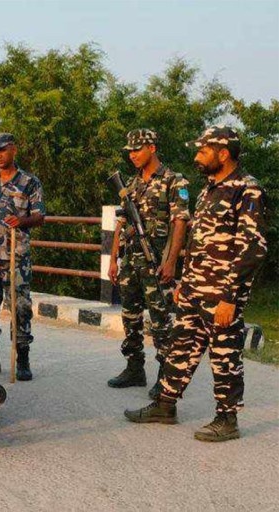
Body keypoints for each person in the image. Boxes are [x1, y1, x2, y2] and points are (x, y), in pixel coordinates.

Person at [125, 126, 268, 442]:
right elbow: (197, 241)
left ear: (223, 153)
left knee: (224, 355)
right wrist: (185, 281)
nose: (197, 157)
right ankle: (165, 405)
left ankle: (227, 419)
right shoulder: (208, 189)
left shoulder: (247, 190)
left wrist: (230, 297)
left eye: (203, 151)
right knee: (180, 346)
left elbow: (252, 248)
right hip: (194, 288)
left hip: (222, 293)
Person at [107, 129, 190, 396]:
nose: (132, 155)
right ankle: (135, 368)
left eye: (137, 149)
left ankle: (166, 378)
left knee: (161, 321)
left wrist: (171, 262)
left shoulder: (173, 181)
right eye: (129, 151)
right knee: (130, 316)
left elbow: (180, 222)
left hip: (157, 262)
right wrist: (113, 259)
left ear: (152, 148)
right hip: (131, 261)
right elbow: (121, 223)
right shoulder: (131, 184)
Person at [0, 133, 45, 381]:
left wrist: (22, 221)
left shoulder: (29, 182)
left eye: (2, 150)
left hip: (16, 255)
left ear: (13, 149)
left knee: (20, 307)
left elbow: (39, 216)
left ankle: (22, 358)